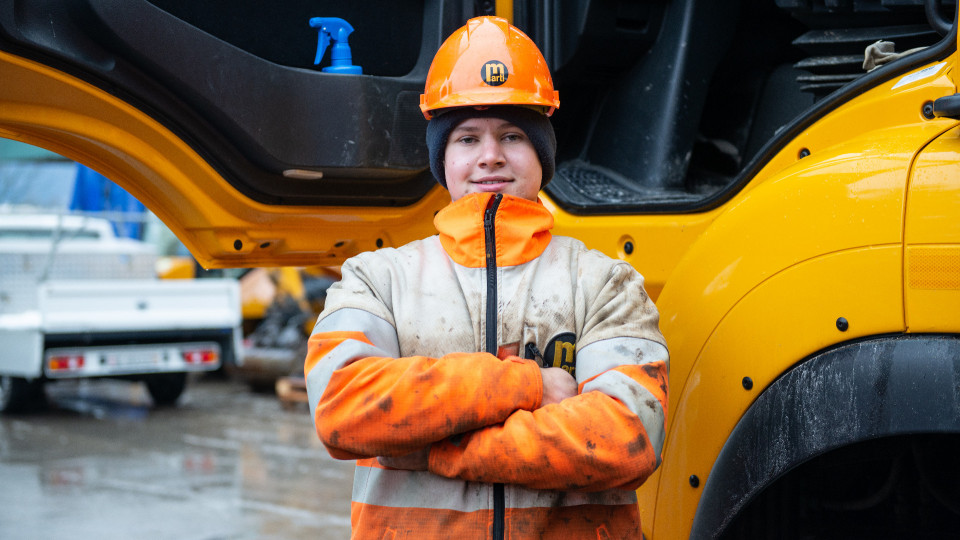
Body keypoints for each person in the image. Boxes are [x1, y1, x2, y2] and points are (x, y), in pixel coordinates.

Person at [304, 15, 668, 539]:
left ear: (542, 153)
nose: (490, 156)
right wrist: (526, 384)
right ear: (442, 159)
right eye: (467, 137)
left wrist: (447, 447)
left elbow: (627, 437)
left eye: (513, 134)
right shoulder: (378, 279)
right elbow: (342, 407)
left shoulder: (606, 284)